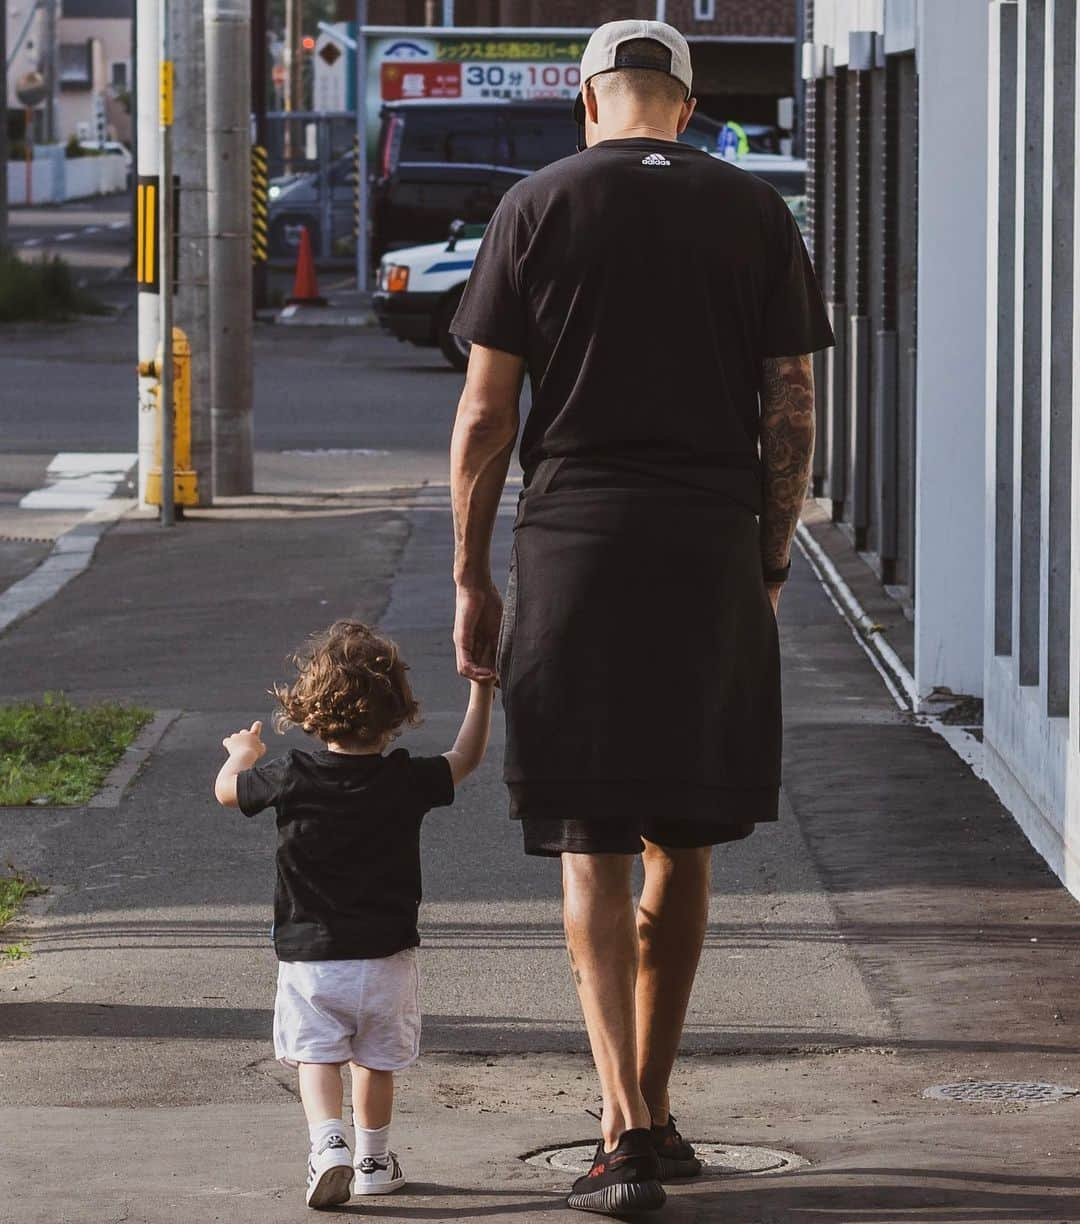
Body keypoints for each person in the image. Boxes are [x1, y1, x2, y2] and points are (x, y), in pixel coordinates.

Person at [449, 18, 834, 1218]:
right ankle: (655, 1114)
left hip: (574, 546)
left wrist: (470, 576)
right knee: (687, 837)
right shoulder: (757, 212)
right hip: (711, 542)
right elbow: (793, 410)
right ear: (690, 100)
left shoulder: (536, 206)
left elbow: (484, 418)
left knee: (592, 839)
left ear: (587, 101)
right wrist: (768, 556)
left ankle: (616, 1128)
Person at [213, 620, 494, 1210]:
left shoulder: (290, 774)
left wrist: (243, 752)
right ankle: (372, 1157)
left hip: (310, 959)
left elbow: (228, 792)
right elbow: (464, 758)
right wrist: (481, 691)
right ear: (395, 712)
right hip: (387, 958)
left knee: (316, 1057)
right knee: (375, 1061)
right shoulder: (404, 779)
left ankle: (328, 1143)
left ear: (311, 711)